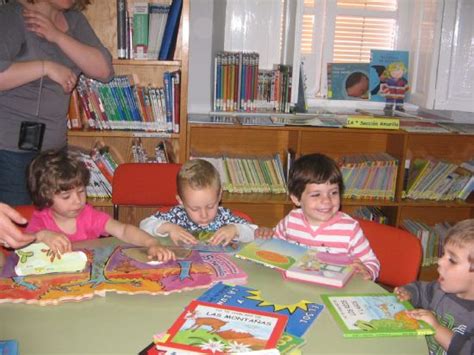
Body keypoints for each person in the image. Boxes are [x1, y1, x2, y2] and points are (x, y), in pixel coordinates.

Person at [0, 0, 114, 205]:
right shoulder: (12, 15)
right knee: (18, 228)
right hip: (10, 153)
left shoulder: (75, 21)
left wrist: (57, 36)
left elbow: (104, 71)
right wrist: (46, 67)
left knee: (54, 229)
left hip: (54, 151)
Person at [25, 149, 175, 262]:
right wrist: (42, 236)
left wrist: (152, 243)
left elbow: (123, 230)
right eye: (66, 196)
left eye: (81, 191)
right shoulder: (41, 221)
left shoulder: (88, 215)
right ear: (45, 197)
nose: (77, 200)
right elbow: (22, 247)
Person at [271, 153, 380, 280]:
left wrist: (367, 271)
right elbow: (273, 247)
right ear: (296, 198)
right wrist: (266, 234)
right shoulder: (290, 221)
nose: (327, 201)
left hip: (333, 291)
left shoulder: (350, 229)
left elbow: (372, 262)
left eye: (333, 192)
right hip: (296, 285)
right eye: (316, 195)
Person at [140, 159, 272, 246]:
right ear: (180, 201)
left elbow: (253, 232)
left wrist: (235, 229)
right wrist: (168, 227)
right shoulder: (176, 215)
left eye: (210, 206)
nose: (204, 215)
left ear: (219, 196)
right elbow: (143, 225)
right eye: (195, 209)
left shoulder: (224, 217)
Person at [395, 219, 474, 355]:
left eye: (452, 260)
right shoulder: (440, 289)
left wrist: (436, 328)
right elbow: (421, 289)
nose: (440, 261)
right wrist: (409, 293)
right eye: (443, 254)